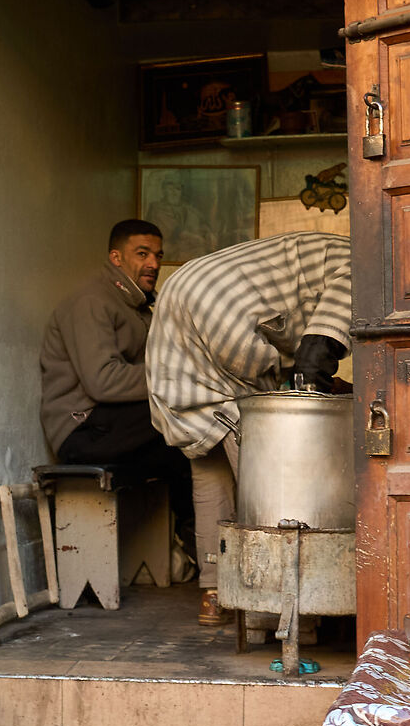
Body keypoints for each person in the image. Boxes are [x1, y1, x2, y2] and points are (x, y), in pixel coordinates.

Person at [146, 230, 351, 624]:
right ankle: (279, 606)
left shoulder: (323, 251)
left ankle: (214, 592)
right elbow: (315, 355)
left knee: (210, 468)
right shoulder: (365, 267)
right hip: (224, 308)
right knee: (270, 483)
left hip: (184, 290)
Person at [38, 218, 193, 548]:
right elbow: (103, 382)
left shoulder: (140, 307)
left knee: (197, 445)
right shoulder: (91, 302)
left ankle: (196, 543)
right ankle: (194, 539)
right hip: (81, 430)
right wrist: (178, 380)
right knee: (190, 419)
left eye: (157, 255)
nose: (153, 263)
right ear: (116, 258)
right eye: (142, 253)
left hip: (113, 426)